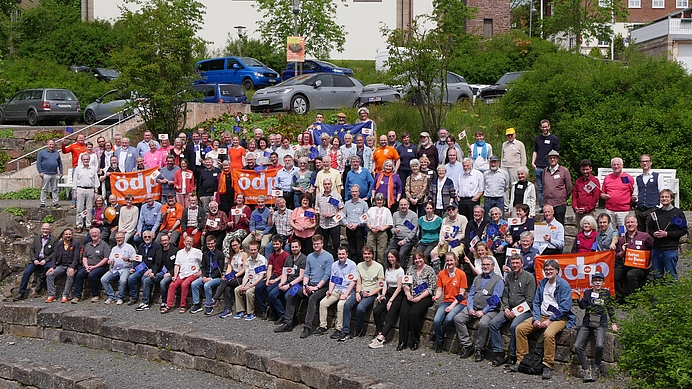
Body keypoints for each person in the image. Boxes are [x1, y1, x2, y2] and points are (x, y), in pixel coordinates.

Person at [512, 259, 576, 380]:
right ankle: (521, 360)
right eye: (546, 269)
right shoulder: (542, 283)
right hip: (541, 315)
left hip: (558, 318)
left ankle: (548, 365)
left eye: (551, 269)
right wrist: (536, 318)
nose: (548, 271)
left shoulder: (563, 285)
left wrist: (551, 320)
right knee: (520, 329)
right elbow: (536, 303)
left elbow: (565, 307)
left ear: (557, 270)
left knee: (548, 334)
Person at [275, 235, 333, 338]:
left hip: (323, 286)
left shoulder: (328, 257)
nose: (316, 245)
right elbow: (306, 273)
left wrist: (317, 287)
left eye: (318, 243)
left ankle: (307, 327)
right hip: (308, 284)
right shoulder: (310, 256)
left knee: (312, 299)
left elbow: (327, 275)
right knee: (291, 294)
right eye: (314, 244)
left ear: (322, 244)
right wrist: (306, 285)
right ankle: (288, 322)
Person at [488, 253, 536, 368]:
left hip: (524, 310)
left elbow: (530, 300)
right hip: (509, 308)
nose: (514, 265)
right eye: (512, 263)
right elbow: (505, 295)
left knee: (514, 327)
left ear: (522, 264)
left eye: (517, 263)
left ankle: (513, 355)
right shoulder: (508, 277)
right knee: (493, 324)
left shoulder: (529, 277)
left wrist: (516, 312)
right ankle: (499, 352)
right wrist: (506, 309)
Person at [454, 256, 503, 361]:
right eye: (483, 264)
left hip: (490, 310)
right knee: (458, 318)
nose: (485, 266)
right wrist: (470, 307)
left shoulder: (498, 280)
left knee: (483, 324)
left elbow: (495, 298)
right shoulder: (477, 278)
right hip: (474, 307)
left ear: (493, 266)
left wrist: (484, 311)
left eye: (487, 264)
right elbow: (471, 294)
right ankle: (467, 345)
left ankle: (479, 348)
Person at [574, 272, 618, 383]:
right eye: (595, 280)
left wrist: (614, 323)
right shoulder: (588, 293)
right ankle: (586, 369)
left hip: (600, 324)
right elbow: (583, 306)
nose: (597, 282)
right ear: (592, 282)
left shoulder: (606, 293)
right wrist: (579, 298)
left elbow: (610, 308)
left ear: (603, 282)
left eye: (600, 280)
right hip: (587, 323)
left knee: (599, 345)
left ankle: (596, 366)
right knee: (577, 345)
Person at [340, 245, 385, 341]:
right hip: (361, 290)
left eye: (369, 254)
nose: (367, 255)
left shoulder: (379, 267)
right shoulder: (359, 266)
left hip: (372, 293)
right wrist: (357, 292)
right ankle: (345, 330)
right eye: (365, 254)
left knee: (360, 308)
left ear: (372, 255)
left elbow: (381, 285)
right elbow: (359, 281)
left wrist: (370, 293)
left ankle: (358, 330)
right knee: (347, 304)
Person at [314, 246, 357, 338]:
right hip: (337, 289)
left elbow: (353, 281)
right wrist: (330, 290)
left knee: (341, 305)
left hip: (347, 290)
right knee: (323, 303)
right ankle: (323, 326)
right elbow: (333, 280)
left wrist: (346, 294)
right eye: (339, 254)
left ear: (347, 254)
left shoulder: (352, 265)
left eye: (343, 254)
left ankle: (339, 328)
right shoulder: (334, 265)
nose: (341, 256)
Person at [397, 250, 436, 351]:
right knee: (404, 313)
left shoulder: (430, 270)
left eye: (420, 258)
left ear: (423, 258)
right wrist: (408, 294)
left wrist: (419, 298)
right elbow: (406, 284)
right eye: (416, 259)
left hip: (424, 296)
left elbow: (431, 287)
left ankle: (415, 340)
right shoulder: (411, 269)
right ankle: (402, 341)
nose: (418, 260)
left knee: (414, 313)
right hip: (411, 294)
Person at [647, 189, 688, 280]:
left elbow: (683, 230)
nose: (664, 199)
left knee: (670, 275)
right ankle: (658, 293)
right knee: (657, 275)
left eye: (667, 197)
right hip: (657, 249)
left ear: (671, 199)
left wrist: (667, 234)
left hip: (670, 249)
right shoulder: (656, 213)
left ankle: (672, 294)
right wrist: (654, 233)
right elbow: (650, 229)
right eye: (662, 197)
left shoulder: (677, 213)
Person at [432, 252, 468, 353]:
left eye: (451, 260)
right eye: (447, 261)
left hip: (459, 302)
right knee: (436, 320)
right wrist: (436, 296)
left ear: (455, 260)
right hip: (446, 300)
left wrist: (452, 306)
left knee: (449, 318)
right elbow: (439, 289)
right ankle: (440, 339)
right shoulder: (441, 273)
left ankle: (438, 337)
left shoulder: (461, 274)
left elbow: (461, 294)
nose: (449, 262)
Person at [369, 250, 405, 348]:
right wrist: (383, 295)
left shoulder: (400, 270)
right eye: (389, 257)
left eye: (392, 257)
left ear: (396, 257)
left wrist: (390, 301)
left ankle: (382, 338)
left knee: (390, 315)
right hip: (388, 292)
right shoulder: (388, 269)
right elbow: (385, 283)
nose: (390, 259)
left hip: (397, 295)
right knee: (377, 311)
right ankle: (380, 332)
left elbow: (399, 288)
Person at [14, 223, 57, 301]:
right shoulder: (37, 238)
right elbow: (31, 250)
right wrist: (34, 259)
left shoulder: (54, 239)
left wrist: (46, 260)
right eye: (44, 229)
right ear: (41, 229)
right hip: (36, 260)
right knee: (27, 272)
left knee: (49, 268)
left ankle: (41, 280)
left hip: (46, 260)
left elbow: (55, 252)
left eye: (47, 229)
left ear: (50, 230)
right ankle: (21, 293)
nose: (45, 230)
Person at [615, 214, 653, 302]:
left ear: (636, 224)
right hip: (627, 264)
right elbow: (617, 256)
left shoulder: (645, 236)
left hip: (640, 266)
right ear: (625, 225)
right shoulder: (622, 239)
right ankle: (620, 298)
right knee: (615, 274)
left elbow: (653, 249)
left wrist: (651, 263)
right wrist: (622, 251)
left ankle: (633, 300)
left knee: (631, 275)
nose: (630, 224)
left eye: (632, 222)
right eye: (628, 222)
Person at [161, 235, 203, 314]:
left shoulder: (197, 252)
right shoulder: (179, 252)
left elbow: (204, 262)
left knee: (184, 285)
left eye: (190, 241)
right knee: (172, 285)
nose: (189, 242)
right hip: (182, 273)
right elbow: (177, 265)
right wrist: (175, 276)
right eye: (187, 241)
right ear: (184, 242)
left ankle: (183, 305)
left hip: (192, 273)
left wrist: (201, 271)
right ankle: (168, 305)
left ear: (193, 243)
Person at [136, 233, 176, 311]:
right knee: (147, 280)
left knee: (163, 283)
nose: (164, 242)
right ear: (160, 242)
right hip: (161, 272)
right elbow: (157, 264)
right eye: (163, 241)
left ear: (169, 240)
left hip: (171, 273)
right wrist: (153, 272)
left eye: (166, 240)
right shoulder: (159, 251)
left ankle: (164, 302)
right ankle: (145, 302)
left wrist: (170, 273)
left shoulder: (175, 250)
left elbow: (177, 264)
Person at [271, 240, 307, 324]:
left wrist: (289, 285)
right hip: (288, 282)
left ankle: (292, 318)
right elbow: (284, 273)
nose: (294, 249)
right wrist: (282, 283)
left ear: (300, 247)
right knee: (273, 294)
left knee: (288, 296)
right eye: (292, 247)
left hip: (298, 284)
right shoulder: (289, 258)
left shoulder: (304, 259)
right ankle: (283, 315)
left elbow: (301, 277)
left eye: (296, 247)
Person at [255, 236, 289, 320]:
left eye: (277, 244)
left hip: (281, 278)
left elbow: (286, 273)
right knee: (258, 288)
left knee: (269, 290)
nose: (275, 246)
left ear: (281, 244)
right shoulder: (271, 255)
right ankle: (264, 309)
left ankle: (276, 312)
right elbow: (269, 269)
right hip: (273, 276)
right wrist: (268, 279)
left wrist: (275, 280)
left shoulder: (286, 256)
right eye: (274, 244)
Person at [74, 228, 111, 303]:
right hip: (88, 266)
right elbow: (84, 257)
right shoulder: (88, 245)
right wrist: (86, 266)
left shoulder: (104, 245)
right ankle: (77, 296)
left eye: (95, 233)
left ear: (99, 234)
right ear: (90, 235)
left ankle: (95, 295)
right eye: (92, 233)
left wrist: (94, 267)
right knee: (79, 275)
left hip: (101, 267)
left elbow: (106, 258)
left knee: (91, 275)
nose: (94, 234)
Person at [44, 228, 80, 303]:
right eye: (66, 234)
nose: (68, 236)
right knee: (50, 274)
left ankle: (65, 295)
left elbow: (76, 257)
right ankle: (51, 295)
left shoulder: (76, 243)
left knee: (70, 275)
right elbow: (54, 256)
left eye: (69, 234)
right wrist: (52, 267)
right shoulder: (59, 244)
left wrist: (72, 267)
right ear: (63, 235)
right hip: (61, 265)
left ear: (72, 235)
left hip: (71, 265)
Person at [213, 237, 247, 318]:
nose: (234, 247)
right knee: (227, 287)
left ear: (239, 244)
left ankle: (214, 298)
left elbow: (244, 269)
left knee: (225, 282)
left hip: (241, 276)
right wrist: (227, 276)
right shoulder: (231, 255)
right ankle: (227, 309)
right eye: (233, 246)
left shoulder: (244, 254)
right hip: (233, 274)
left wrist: (233, 276)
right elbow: (229, 267)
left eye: (236, 245)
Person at [190, 235, 224, 314]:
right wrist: (204, 276)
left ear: (215, 243)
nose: (210, 245)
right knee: (194, 284)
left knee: (206, 285)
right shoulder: (205, 254)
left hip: (216, 277)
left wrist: (210, 278)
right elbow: (203, 267)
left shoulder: (220, 254)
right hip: (206, 276)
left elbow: (220, 269)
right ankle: (197, 304)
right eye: (208, 244)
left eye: (211, 243)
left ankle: (209, 305)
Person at [100, 232, 136, 305]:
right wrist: (110, 261)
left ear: (124, 238)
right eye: (117, 238)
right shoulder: (114, 248)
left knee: (122, 281)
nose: (119, 239)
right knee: (103, 279)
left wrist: (128, 259)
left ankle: (120, 297)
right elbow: (110, 259)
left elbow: (135, 258)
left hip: (126, 268)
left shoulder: (129, 247)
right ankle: (111, 297)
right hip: (115, 268)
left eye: (120, 238)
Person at [601, 157, 635, 234]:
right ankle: (611, 245)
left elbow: (632, 192)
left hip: (623, 211)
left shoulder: (627, 178)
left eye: (618, 164)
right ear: (611, 166)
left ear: (622, 165)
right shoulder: (608, 178)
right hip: (610, 210)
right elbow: (602, 193)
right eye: (614, 165)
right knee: (609, 232)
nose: (616, 166)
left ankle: (622, 245)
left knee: (622, 232)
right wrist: (603, 196)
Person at [127, 230, 161, 305]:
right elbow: (137, 258)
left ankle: (147, 300)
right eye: (145, 237)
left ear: (152, 237)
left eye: (149, 237)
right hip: (142, 267)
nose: (147, 238)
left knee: (144, 279)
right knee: (131, 278)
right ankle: (134, 297)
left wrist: (151, 270)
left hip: (151, 268)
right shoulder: (141, 246)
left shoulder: (157, 247)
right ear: (143, 238)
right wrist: (134, 268)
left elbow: (158, 262)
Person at [531, 119, 559, 210]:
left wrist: (554, 165)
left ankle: (550, 206)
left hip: (549, 167)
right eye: (543, 127)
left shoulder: (554, 139)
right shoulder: (537, 138)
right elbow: (535, 151)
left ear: (549, 126)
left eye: (546, 126)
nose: (544, 128)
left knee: (550, 187)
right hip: (538, 166)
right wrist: (533, 162)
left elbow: (556, 154)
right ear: (540, 127)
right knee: (540, 188)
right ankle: (542, 206)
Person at [633, 154, 666, 231]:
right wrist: (635, 198)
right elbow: (636, 193)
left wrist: (660, 207)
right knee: (640, 232)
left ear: (651, 163)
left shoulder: (658, 176)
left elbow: (662, 192)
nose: (645, 163)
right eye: (643, 161)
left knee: (650, 231)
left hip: (652, 208)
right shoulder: (638, 178)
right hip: (639, 209)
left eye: (647, 161)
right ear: (640, 163)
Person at [430, 204, 468, 272]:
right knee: (433, 253)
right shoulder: (445, 220)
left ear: (457, 209)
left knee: (453, 254)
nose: (451, 211)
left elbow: (464, 234)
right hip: (446, 241)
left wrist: (454, 240)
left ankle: (455, 273)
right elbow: (442, 233)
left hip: (458, 242)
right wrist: (441, 241)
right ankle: (438, 273)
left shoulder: (463, 219)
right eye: (449, 209)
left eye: (453, 209)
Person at [385, 199, 419, 269]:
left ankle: (401, 271)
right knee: (386, 252)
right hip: (396, 238)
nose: (403, 206)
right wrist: (394, 230)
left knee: (401, 253)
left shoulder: (413, 215)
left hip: (408, 240)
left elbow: (413, 231)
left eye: (405, 205)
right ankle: (387, 270)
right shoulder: (395, 214)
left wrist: (404, 241)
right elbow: (392, 227)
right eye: (401, 205)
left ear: (408, 205)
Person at [542, 150, 572, 226]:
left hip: (559, 203)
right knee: (547, 226)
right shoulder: (545, 171)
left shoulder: (564, 171)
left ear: (557, 159)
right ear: (548, 159)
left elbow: (569, 187)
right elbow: (543, 185)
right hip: (548, 204)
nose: (552, 159)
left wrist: (563, 197)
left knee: (559, 225)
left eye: (554, 158)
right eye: (550, 158)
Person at [316, 179, 344, 257]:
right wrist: (319, 213)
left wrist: (333, 215)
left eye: (328, 184)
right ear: (323, 185)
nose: (327, 186)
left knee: (336, 244)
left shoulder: (336, 196)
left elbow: (342, 209)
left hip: (334, 224)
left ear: (331, 185)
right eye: (325, 184)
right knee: (323, 245)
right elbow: (316, 208)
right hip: (323, 224)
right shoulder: (318, 196)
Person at [500, 128, 527, 211]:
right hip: (505, 167)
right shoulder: (504, 144)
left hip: (515, 167)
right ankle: (506, 205)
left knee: (514, 186)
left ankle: (513, 205)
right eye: (508, 135)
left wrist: (522, 169)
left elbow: (523, 157)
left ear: (515, 134)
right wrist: (501, 168)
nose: (510, 136)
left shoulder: (519, 144)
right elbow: (502, 156)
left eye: (511, 135)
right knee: (505, 187)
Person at [73, 153, 99, 233]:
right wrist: (75, 191)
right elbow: (75, 180)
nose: (86, 161)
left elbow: (96, 180)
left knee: (89, 208)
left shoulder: (93, 168)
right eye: (84, 159)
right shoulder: (78, 168)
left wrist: (96, 191)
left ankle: (88, 224)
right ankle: (79, 225)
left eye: (87, 159)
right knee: (79, 208)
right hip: (80, 189)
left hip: (90, 190)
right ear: (82, 160)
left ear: (89, 160)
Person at [572, 159, 601, 229]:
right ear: (580, 170)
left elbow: (595, 197)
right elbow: (574, 195)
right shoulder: (578, 181)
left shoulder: (594, 181)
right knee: (580, 232)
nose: (585, 171)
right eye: (583, 169)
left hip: (589, 212)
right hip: (578, 212)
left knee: (591, 231)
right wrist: (575, 207)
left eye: (587, 169)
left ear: (590, 169)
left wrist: (586, 209)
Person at [60, 134, 87, 208]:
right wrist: (63, 144)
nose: (81, 139)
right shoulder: (73, 146)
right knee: (75, 185)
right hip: (76, 167)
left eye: (82, 138)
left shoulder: (86, 146)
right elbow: (64, 151)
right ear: (77, 139)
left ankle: (83, 202)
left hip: (85, 168)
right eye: (80, 138)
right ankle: (73, 201)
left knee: (84, 185)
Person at [366, 193, 393, 265]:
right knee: (371, 251)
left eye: (381, 200)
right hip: (372, 232)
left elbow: (389, 223)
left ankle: (380, 268)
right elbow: (366, 221)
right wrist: (371, 228)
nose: (379, 201)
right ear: (375, 201)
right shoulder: (371, 209)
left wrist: (381, 228)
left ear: (383, 201)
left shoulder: (387, 210)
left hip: (382, 233)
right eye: (377, 200)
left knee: (381, 252)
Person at [37, 140, 63, 208]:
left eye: (52, 144)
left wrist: (61, 172)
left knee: (54, 189)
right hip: (45, 174)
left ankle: (55, 202)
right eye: (50, 144)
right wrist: (40, 172)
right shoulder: (42, 153)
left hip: (54, 173)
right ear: (47, 145)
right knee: (44, 189)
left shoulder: (57, 153)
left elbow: (60, 163)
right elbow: (38, 163)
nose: (51, 146)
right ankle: (42, 202)